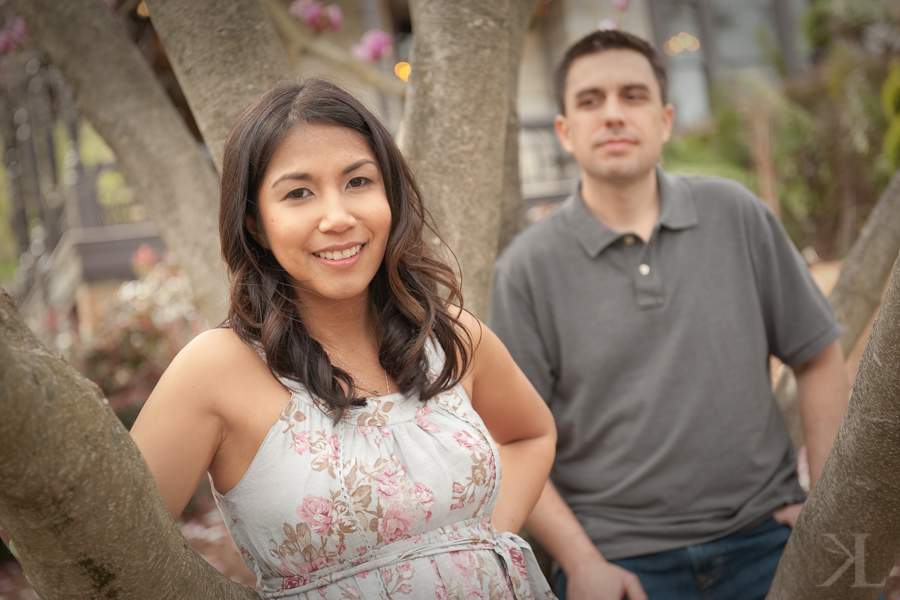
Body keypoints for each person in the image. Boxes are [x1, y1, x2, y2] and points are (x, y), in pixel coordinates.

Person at [130, 79, 558, 599]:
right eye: (298, 193)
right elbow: (109, 547)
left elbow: (530, 435)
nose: (338, 217)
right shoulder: (218, 369)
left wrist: (476, 541)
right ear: (256, 224)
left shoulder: (445, 335)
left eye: (358, 182)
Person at [488, 30, 850, 600]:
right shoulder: (526, 269)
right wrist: (580, 563)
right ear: (564, 131)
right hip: (621, 563)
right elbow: (510, 439)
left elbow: (819, 355)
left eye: (633, 96)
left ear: (665, 118)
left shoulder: (737, 215)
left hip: (767, 537)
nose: (612, 115)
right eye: (590, 100)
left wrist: (826, 507)